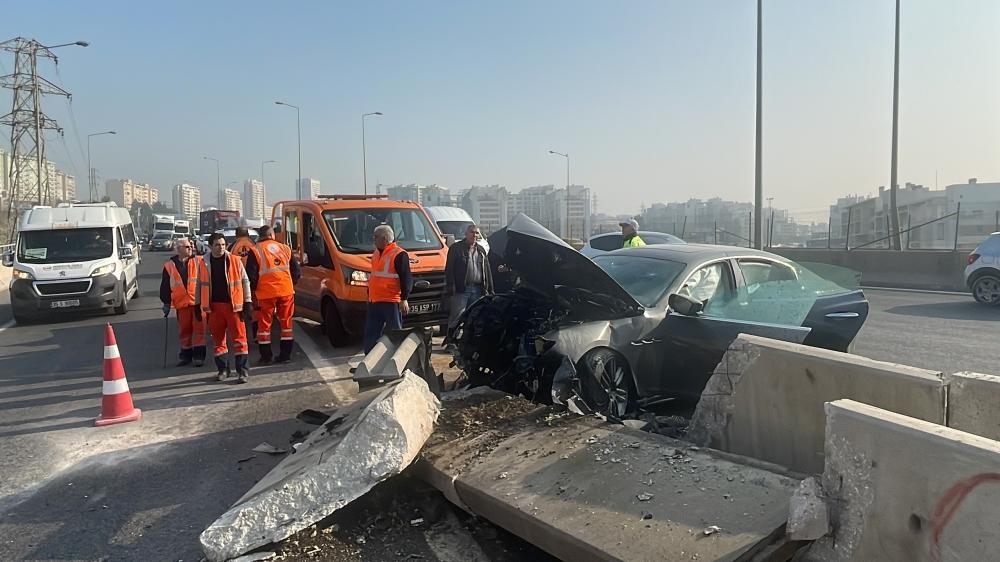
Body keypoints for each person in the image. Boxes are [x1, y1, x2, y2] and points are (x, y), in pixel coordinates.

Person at [195, 233, 253, 383]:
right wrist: (197, 304)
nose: (220, 248)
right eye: (217, 245)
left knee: (240, 340)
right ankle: (223, 370)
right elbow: (199, 285)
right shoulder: (203, 263)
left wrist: (248, 302)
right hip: (213, 307)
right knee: (218, 341)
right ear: (210, 246)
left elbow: (245, 281)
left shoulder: (234, 260)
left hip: (233, 306)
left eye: (222, 244)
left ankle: (242, 371)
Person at [246, 225, 300, 364]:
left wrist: (254, 290)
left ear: (261, 236)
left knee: (264, 326)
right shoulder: (285, 248)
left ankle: (266, 356)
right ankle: (285, 355)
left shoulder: (255, 250)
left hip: (265, 293)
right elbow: (296, 271)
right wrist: (289, 284)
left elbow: (251, 275)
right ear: (272, 235)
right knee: (286, 324)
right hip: (286, 291)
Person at [362, 225, 413, 354]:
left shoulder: (399, 254)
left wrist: (404, 299)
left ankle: (395, 361)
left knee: (395, 334)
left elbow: (406, 278)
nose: (373, 239)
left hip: (391, 301)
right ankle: (369, 362)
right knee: (371, 334)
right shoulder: (376, 253)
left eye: (376, 237)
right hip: (375, 300)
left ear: (384, 238)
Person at [159, 237, 206, 367]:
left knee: (199, 330)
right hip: (181, 304)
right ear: (178, 249)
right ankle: (186, 356)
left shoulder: (199, 261)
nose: (191, 248)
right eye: (187, 247)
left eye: (191, 246)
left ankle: (199, 357)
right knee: (184, 331)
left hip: (197, 303)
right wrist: (166, 303)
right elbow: (165, 286)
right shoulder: (169, 266)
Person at [444, 223, 493, 342]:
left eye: (477, 233)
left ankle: (467, 342)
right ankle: (451, 341)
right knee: (457, 317)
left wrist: (490, 289)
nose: (474, 235)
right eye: (472, 232)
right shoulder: (456, 248)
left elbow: (487, 270)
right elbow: (449, 269)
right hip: (461, 289)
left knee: (474, 317)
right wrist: (451, 286)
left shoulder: (481, 250)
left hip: (477, 290)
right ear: (466, 234)